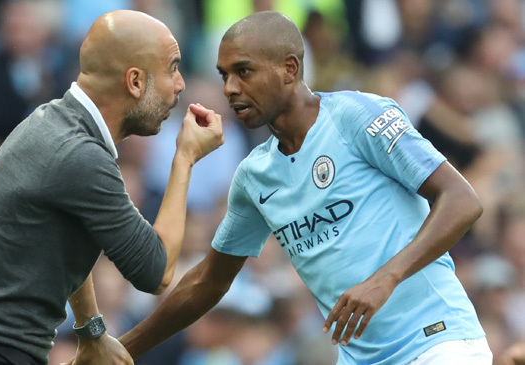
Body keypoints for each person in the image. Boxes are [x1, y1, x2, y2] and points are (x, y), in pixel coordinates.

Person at [119, 11, 492, 364]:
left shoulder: (358, 117)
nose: (230, 89)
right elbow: (208, 281)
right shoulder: (254, 176)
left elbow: (461, 200)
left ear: (289, 69)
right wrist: (122, 350)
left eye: (243, 71)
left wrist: (385, 278)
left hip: (438, 342)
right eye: (224, 76)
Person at [0, 10, 224, 365]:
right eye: (172, 67)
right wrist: (184, 159)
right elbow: (156, 271)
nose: (181, 84)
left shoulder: (55, 124)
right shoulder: (79, 156)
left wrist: (91, 330)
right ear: (135, 82)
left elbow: (70, 231)